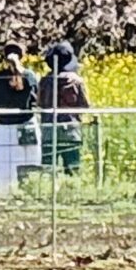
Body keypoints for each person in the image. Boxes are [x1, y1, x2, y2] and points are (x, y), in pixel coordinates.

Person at [0, 44, 40, 198]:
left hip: (4, 127)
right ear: (23, 56)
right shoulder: (30, 76)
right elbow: (37, 99)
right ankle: (29, 192)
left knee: (3, 163)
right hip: (27, 125)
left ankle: (1, 193)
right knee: (29, 161)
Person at [42, 42, 91, 178]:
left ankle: (47, 194)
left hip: (48, 129)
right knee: (72, 168)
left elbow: (40, 103)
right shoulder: (76, 81)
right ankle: (71, 193)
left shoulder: (45, 81)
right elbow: (85, 104)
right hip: (71, 130)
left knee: (48, 169)